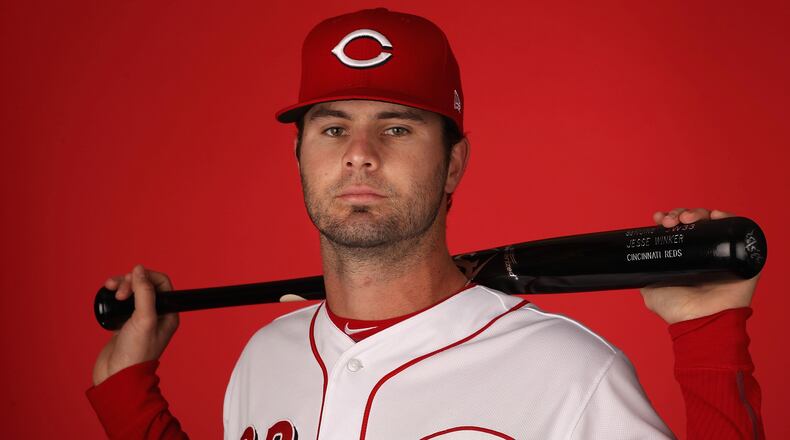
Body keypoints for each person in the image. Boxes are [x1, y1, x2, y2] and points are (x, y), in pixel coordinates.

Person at [87, 8, 764, 439]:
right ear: (299, 156)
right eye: (332, 128)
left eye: (398, 127)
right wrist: (128, 395)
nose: (359, 152)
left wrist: (709, 337)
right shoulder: (265, 360)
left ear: (452, 164)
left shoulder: (569, 375)